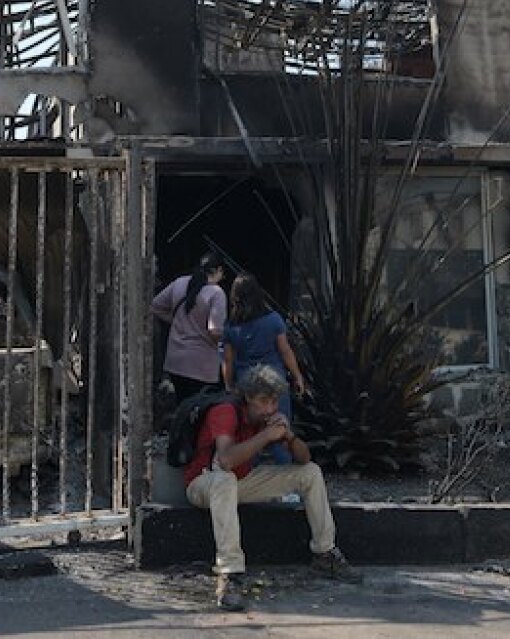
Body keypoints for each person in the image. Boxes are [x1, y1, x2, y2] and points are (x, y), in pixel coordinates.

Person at [184, 364, 361, 611]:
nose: (270, 408)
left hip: (240, 482)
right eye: (263, 401)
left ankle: (325, 553)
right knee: (225, 479)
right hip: (203, 484)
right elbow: (225, 460)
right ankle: (230, 573)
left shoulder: (265, 419)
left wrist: (288, 436)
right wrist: (266, 436)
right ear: (248, 398)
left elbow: (304, 459)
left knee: (310, 473)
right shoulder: (225, 412)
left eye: (274, 402)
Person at [222, 273, 307, 464]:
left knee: (249, 434)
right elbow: (285, 351)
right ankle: (285, 480)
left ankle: (249, 475)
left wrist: (228, 386)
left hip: (247, 385)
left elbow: (228, 359)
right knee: (280, 428)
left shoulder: (231, 326)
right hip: (274, 383)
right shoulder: (273, 320)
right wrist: (298, 376)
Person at [151, 251, 229, 406]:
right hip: (201, 366)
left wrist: (176, 321)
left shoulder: (179, 283)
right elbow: (214, 331)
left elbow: (155, 306)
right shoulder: (216, 293)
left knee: (182, 408)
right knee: (201, 412)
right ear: (219, 270)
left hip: (175, 362)